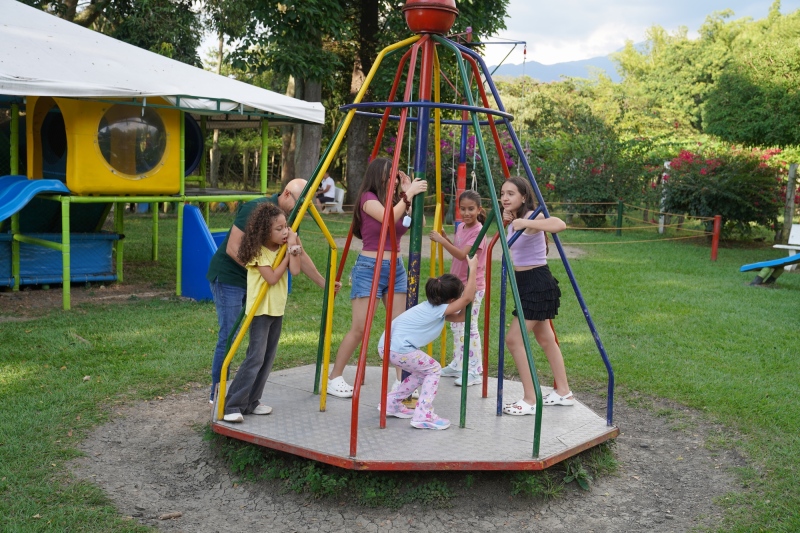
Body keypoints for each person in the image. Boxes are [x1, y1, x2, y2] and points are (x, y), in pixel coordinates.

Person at [207, 179, 338, 404]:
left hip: (262, 282)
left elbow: (299, 255)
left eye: (307, 206)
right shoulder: (255, 209)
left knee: (260, 347)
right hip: (231, 277)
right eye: (301, 203)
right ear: (287, 194)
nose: (303, 210)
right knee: (231, 334)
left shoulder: (286, 219)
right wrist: (259, 271)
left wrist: (324, 283)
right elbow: (232, 248)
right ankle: (217, 395)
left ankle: (248, 397)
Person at [327, 157, 428, 398]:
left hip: (397, 268)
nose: (395, 178)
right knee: (360, 328)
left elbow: (419, 223)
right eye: (390, 174)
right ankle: (334, 378)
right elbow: (388, 220)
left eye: (396, 174)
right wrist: (408, 194)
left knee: (400, 329)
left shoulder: (397, 201)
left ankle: (401, 381)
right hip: (369, 267)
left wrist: (408, 195)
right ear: (379, 176)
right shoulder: (367, 199)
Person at [377, 255, 479, 430]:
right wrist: (474, 269)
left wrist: (472, 297)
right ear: (452, 300)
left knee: (422, 372)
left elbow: (461, 316)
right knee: (433, 369)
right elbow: (467, 299)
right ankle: (424, 415)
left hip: (387, 346)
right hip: (400, 349)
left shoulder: (431, 307)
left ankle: (390, 403)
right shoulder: (438, 310)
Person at [499, 176, 574, 416]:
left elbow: (559, 224)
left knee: (513, 339)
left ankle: (530, 399)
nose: (505, 197)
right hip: (527, 284)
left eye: (511, 193)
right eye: (503, 193)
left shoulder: (532, 215)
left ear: (523, 196)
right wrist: (510, 222)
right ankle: (563, 391)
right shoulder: (513, 220)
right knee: (546, 339)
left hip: (537, 283)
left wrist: (526, 223)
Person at [222, 203, 300, 422]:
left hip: (276, 309)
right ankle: (232, 405)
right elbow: (273, 277)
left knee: (267, 358)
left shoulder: (284, 247)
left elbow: (295, 270)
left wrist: (293, 248)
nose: (285, 232)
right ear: (265, 231)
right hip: (260, 311)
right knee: (255, 357)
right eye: (279, 229)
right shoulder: (257, 252)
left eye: (286, 227)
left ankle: (252, 402)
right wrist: (288, 252)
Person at [429, 190, 487, 387]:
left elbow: (463, 255)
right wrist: (448, 238)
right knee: (457, 326)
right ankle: (458, 363)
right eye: (463, 209)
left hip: (473, 286)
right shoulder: (461, 227)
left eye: (471, 209)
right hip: (458, 284)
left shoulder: (478, 231)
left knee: (469, 326)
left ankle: (474, 370)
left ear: (479, 209)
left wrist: (442, 241)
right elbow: (458, 249)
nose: (467, 212)